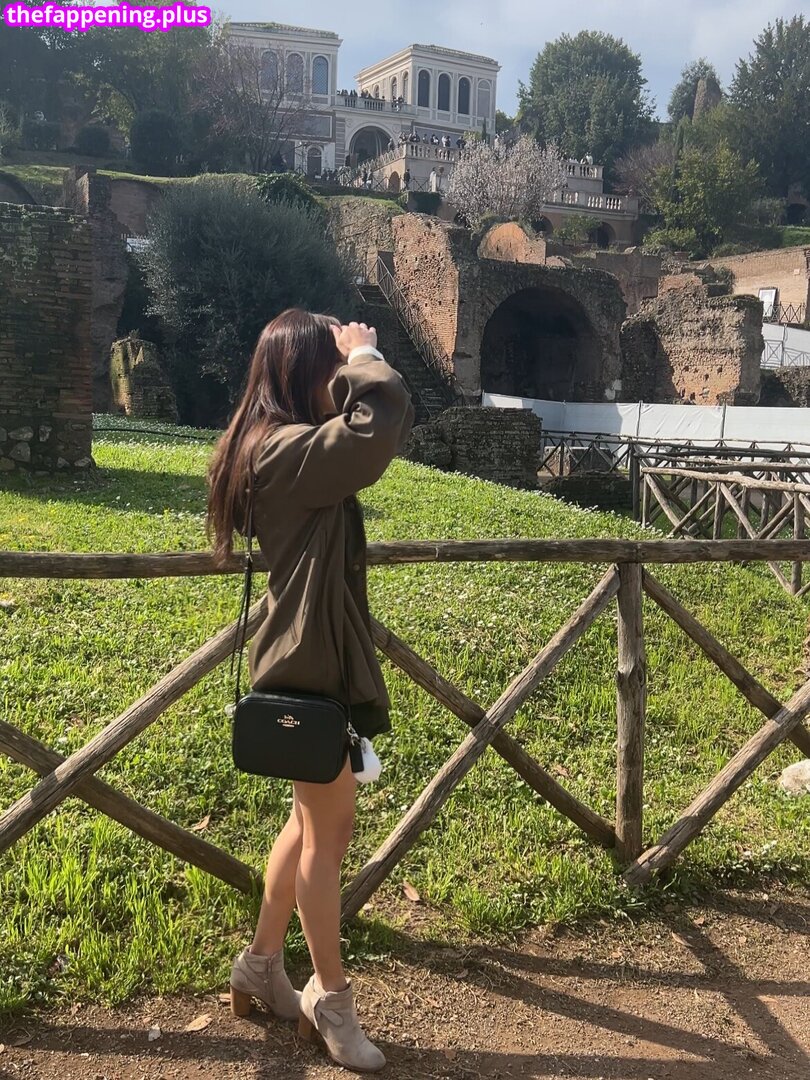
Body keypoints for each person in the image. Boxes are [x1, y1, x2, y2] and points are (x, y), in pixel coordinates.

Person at [206, 313, 414, 1073]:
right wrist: (365, 353)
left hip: (305, 652)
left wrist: (347, 356)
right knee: (329, 838)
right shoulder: (288, 450)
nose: (341, 380)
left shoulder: (271, 446)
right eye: (330, 368)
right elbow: (374, 432)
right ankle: (332, 999)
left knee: (306, 824)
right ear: (305, 373)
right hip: (308, 661)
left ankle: (261, 965)